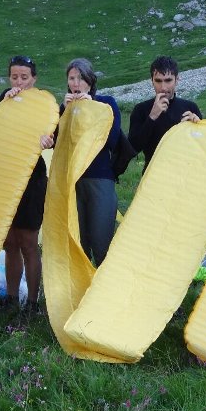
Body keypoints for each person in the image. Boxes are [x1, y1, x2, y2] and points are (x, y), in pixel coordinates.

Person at [0, 55, 56, 313]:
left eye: (24, 77)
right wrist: (4, 103)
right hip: (6, 179)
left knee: (28, 241)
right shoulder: (6, 97)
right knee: (10, 242)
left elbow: (53, 135)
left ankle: (33, 304)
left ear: (34, 79)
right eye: (15, 77)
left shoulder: (43, 103)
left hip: (32, 179)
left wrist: (49, 141)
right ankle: (11, 298)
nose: (19, 81)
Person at [61, 58, 121, 265]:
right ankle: (81, 292)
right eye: (72, 78)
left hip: (100, 178)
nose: (76, 83)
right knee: (79, 244)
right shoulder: (66, 108)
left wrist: (91, 110)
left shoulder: (106, 103)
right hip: (72, 180)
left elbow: (112, 140)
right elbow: (55, 143)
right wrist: (63, 112)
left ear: (90, 81)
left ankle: (106, 292)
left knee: (101, 241)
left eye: (81, 78)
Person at [128, 56, 202, 169]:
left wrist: (198, 128)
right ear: (152, 81)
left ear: (177, 80)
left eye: (168, 80)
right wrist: (152, 116)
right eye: (158, 81)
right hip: (154, 175)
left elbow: (202, 148)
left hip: (187, 174)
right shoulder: (141, 109)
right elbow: (133, 148)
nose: (163, 87)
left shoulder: (190, 107)